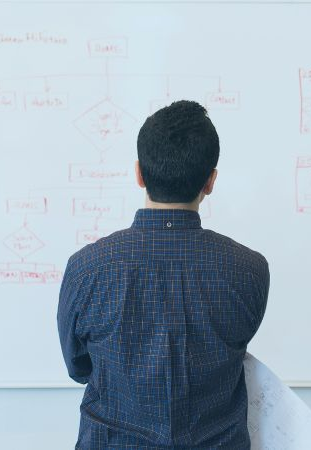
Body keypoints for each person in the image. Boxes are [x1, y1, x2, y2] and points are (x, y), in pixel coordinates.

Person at [57, 100, 270, 448]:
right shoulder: (249, 270)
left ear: (139, 174)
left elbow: (79, 368)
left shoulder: (87, 268)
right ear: (211, 181)